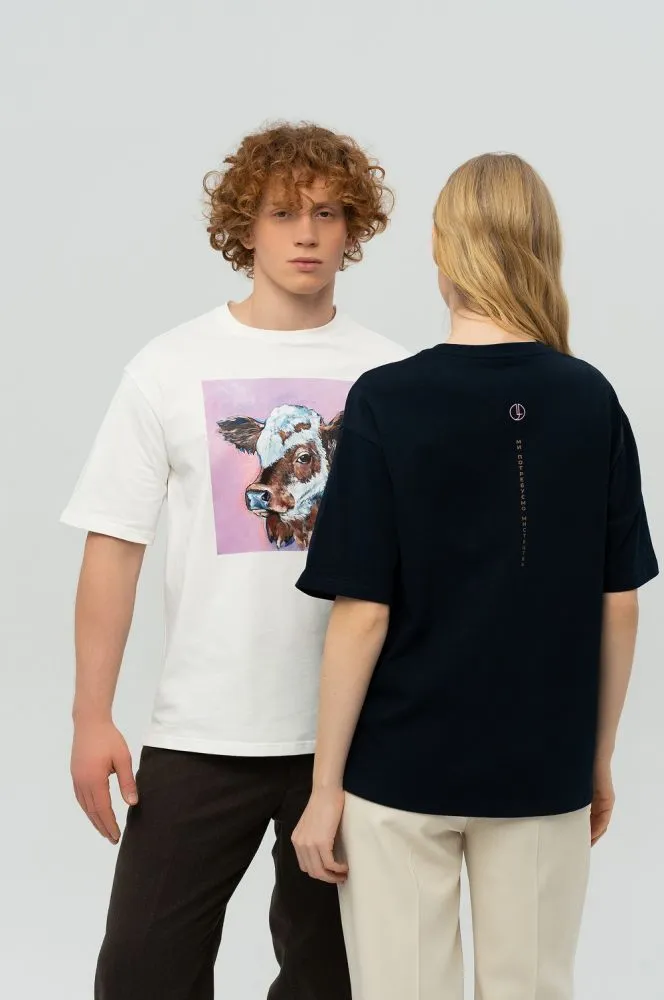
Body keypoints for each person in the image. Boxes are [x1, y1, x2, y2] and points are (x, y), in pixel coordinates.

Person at [292, 152, 659, 1000]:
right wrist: (597, 757)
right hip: (543, 769)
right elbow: (620, 604)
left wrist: (324, 787)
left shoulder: (386, 399)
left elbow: (361, 612)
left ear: (441, 248)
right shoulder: (590, 399)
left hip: (399, 772)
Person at [61, 120, 409, 1000]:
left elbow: (428, 566)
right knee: (142, 974)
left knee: (335, 982)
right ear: (243, 227)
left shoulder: (393, 375)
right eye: (283, 212)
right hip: (202, 731)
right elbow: (114, 545)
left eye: (327, 213)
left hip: (354, 738)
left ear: (352, 228)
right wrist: (91, 716)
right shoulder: (169, 367)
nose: (306, 233)